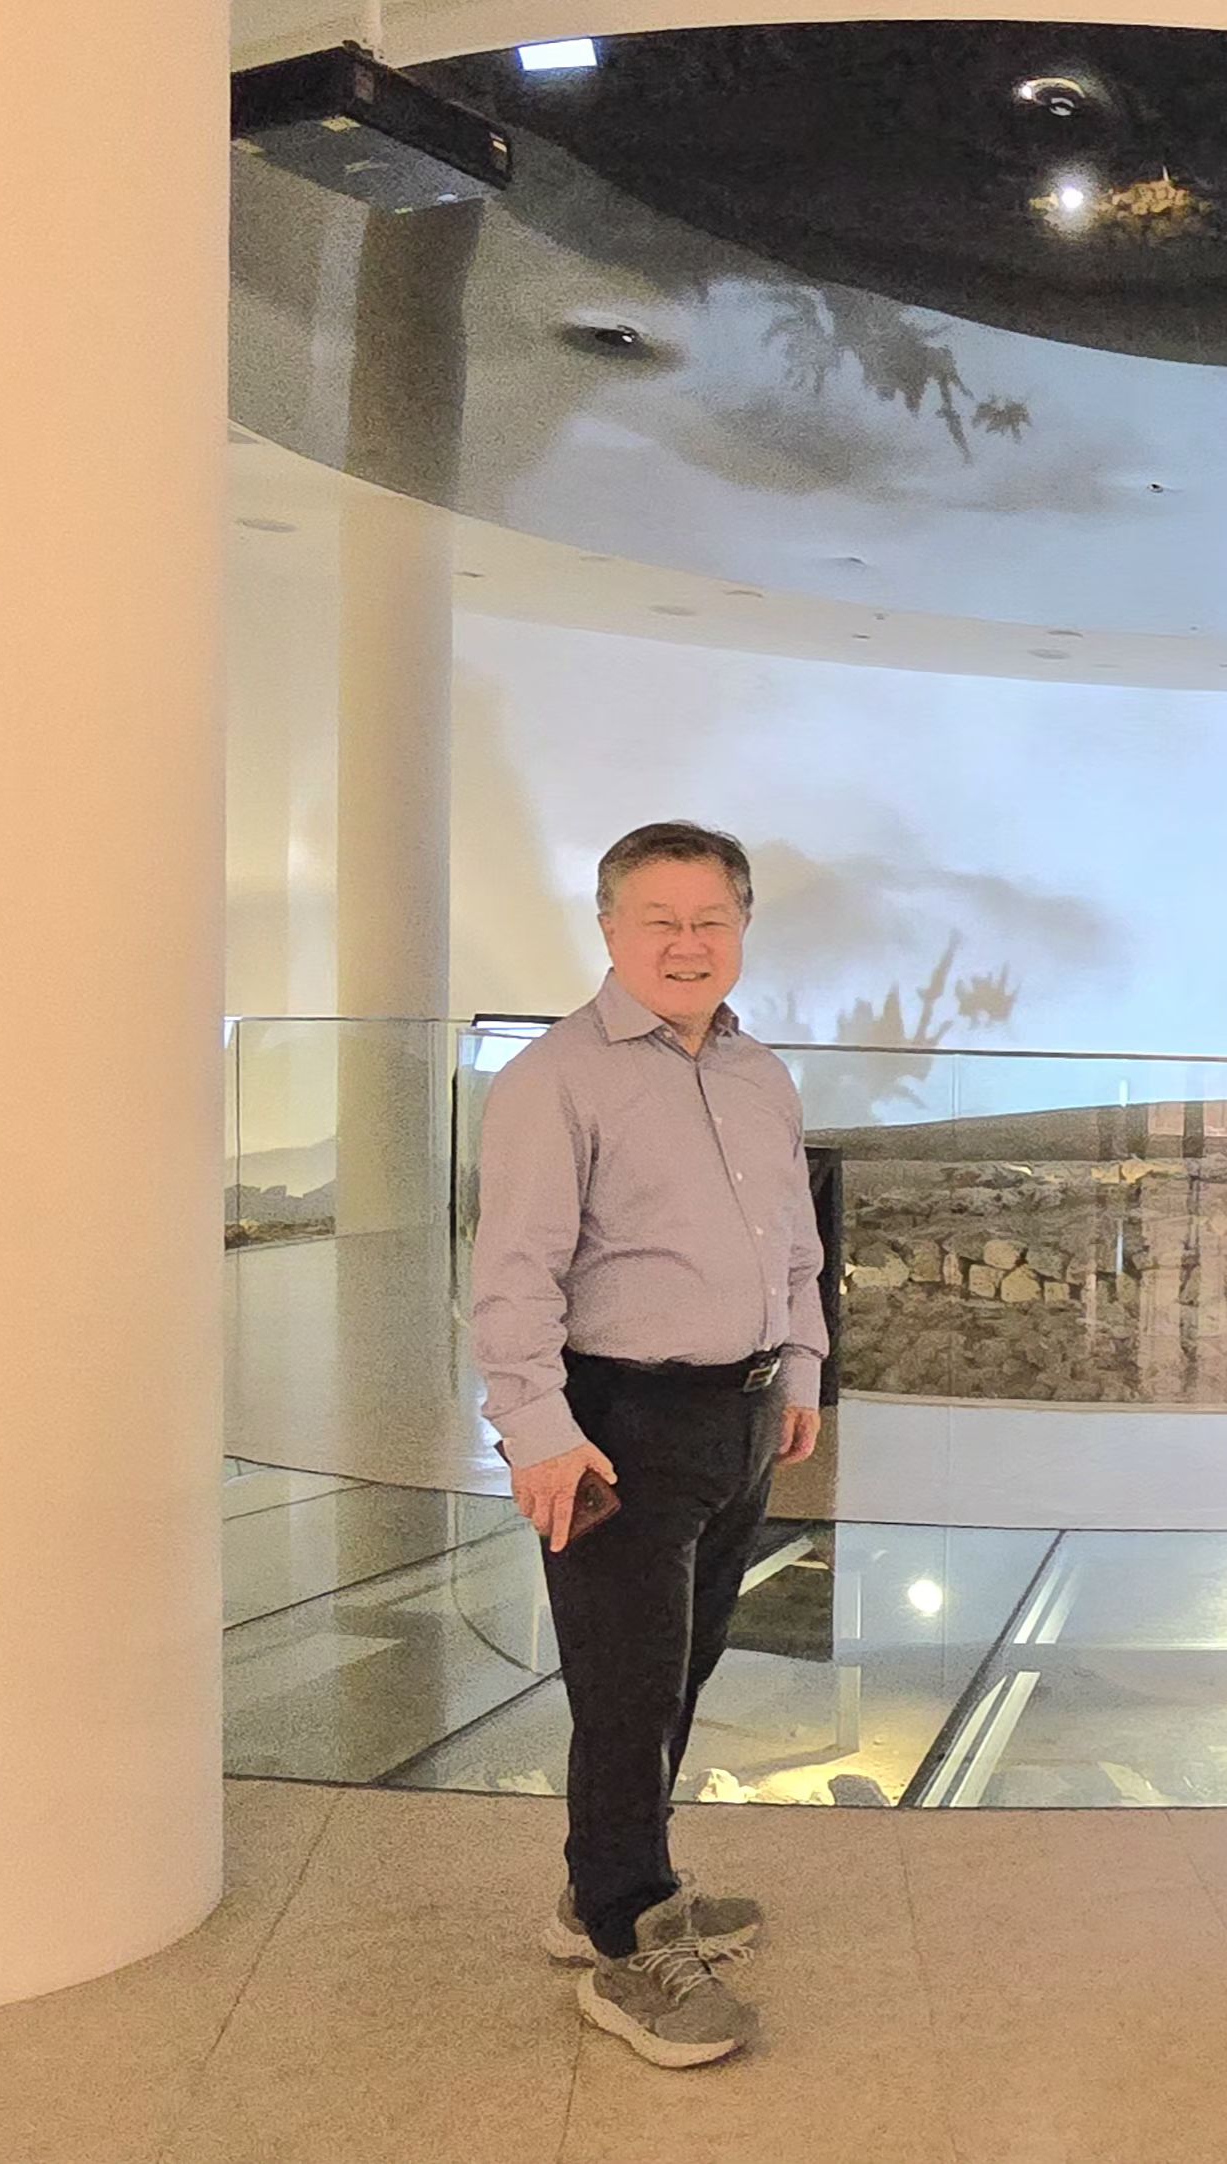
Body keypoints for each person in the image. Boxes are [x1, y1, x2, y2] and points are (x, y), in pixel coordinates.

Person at [471, 820, 827, 2069]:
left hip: (740, 1417)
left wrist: (800, 1366)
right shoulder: (555, 1080)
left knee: (681, 1669)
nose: (687, 943)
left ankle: (612, 1888)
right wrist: (539, 1435)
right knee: (623, 1692)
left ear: (741, 928)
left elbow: (794, 1243)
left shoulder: (760, 1074)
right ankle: (627, 1939)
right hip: (613, 1425)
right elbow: (513, 1277)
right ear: (611, 930)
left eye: (710, 919)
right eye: (660, 921)